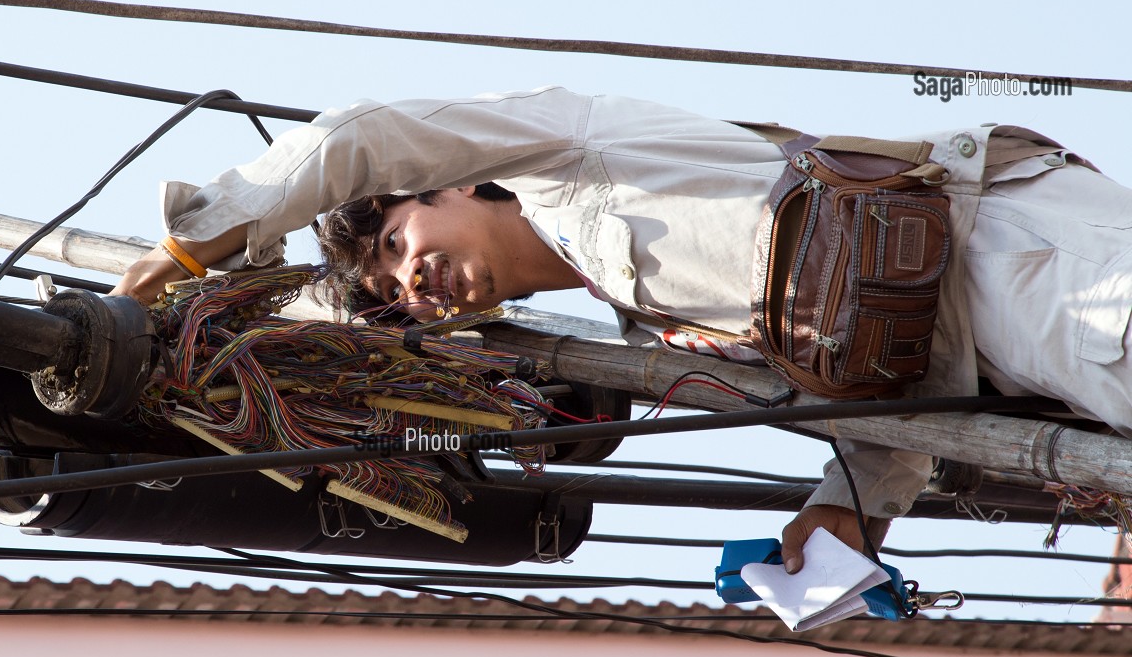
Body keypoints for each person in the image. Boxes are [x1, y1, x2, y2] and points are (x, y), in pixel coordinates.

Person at [113, 86, 1132, 573]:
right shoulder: (653, 328)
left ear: (457, 184)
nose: (408, 280)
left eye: (390, 243)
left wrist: (198, 243)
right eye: (390, 297)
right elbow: (886, 377)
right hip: (1021, 358)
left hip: (1027, 257)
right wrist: (845, 518)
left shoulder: (573, 151)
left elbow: (355, 139)